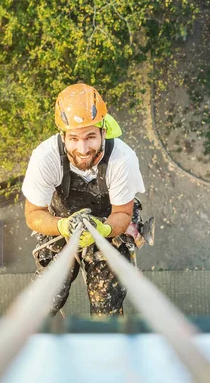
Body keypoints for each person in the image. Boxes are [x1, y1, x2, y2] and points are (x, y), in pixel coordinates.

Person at [22, 83, 145, 316]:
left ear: (103, 132)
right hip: (60, 220)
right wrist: (62, 226)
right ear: (63, 136)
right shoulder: (45, 158)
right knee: (47, 297)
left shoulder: (122, 159)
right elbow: (34, 214)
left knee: (105, 303)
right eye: (74, 139)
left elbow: (122, 214)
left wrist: (103, 228)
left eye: (90, 137)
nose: (83, 148)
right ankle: (36, 340)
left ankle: (107, 344)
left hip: (108, 222)